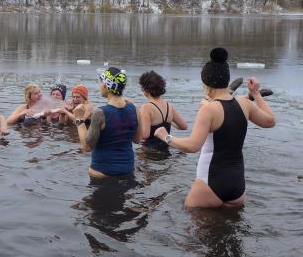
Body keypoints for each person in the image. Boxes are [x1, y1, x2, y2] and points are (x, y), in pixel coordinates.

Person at [154, 48, 275, 208]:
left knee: (190, 220)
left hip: (210, 182)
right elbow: (270, 121)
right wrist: (256, 94)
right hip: (237, 184)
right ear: (226, 79)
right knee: (229, 223)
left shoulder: (209, 109)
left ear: (205, 83)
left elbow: (192, 146)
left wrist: (165, 136)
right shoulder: (245, 103)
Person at [74, 66, 143, 178]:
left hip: (102, 174)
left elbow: (87, 147)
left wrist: (78, 119)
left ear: (107, 85)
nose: (99, 85)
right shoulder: (135, 109)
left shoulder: (100, 113)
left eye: (101, 82)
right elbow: (137, 140)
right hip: (128, 171)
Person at [138, 70, 188, 151]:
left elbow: (145, 135)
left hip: (149, 152)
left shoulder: (146, 108)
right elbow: (184, 126)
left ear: (146, 90)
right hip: (166, 150)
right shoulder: (169, 106)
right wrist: (170, 121)